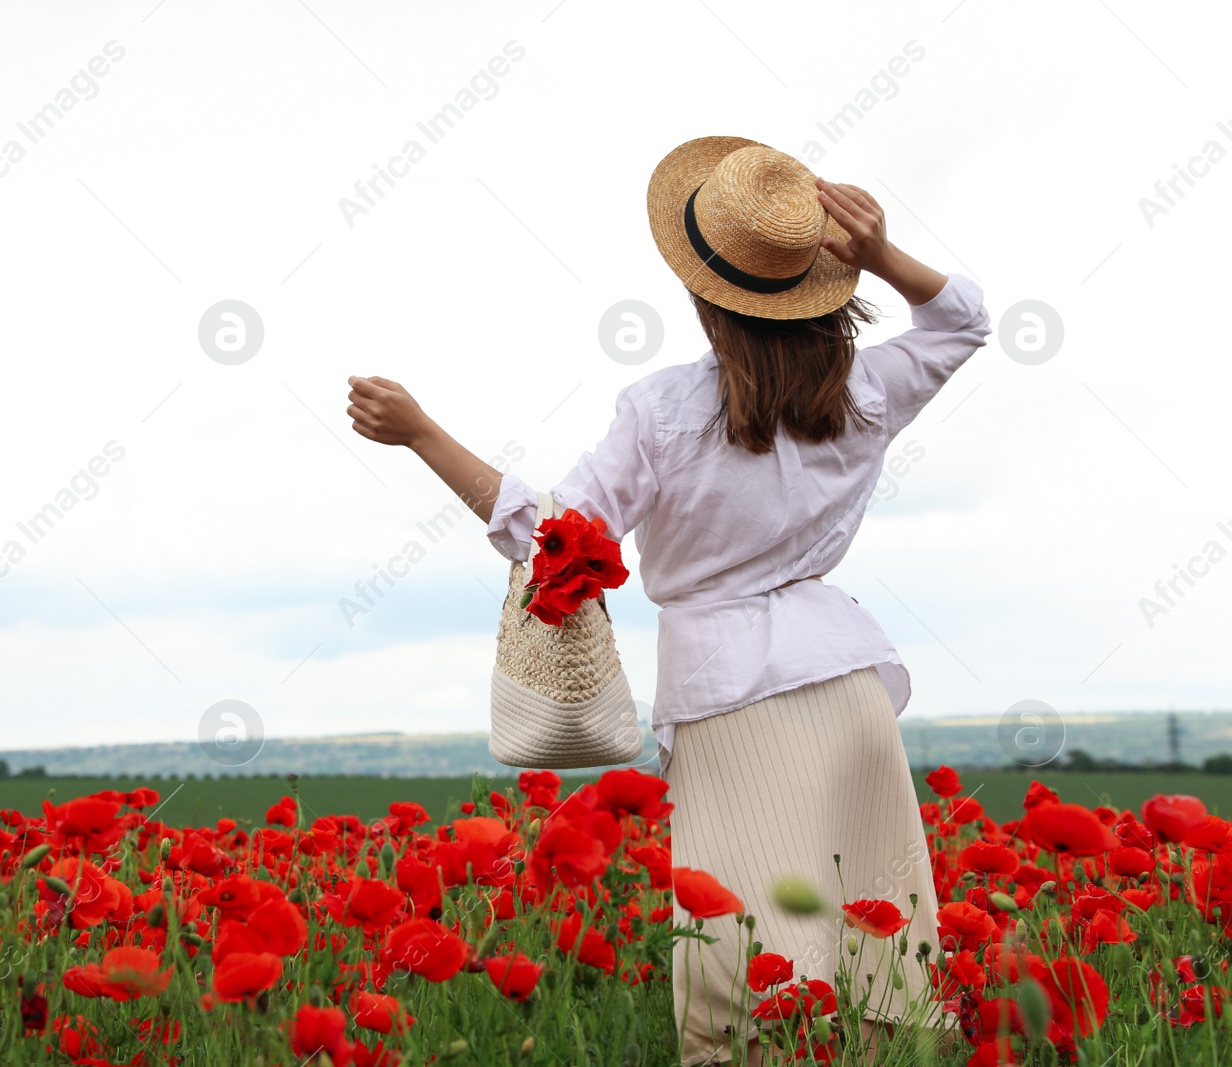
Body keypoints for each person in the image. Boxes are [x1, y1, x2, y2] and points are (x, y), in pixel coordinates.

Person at [345, 136, 989, 1064]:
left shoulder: (664, 412)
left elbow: (554, 535)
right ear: (819, 278)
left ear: (702, 294)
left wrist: (421, 434)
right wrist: (883, 252)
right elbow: (963, 321)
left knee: (745, 970)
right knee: (871, 954)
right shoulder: (867, 393)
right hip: (848, 686)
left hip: (734, 698)